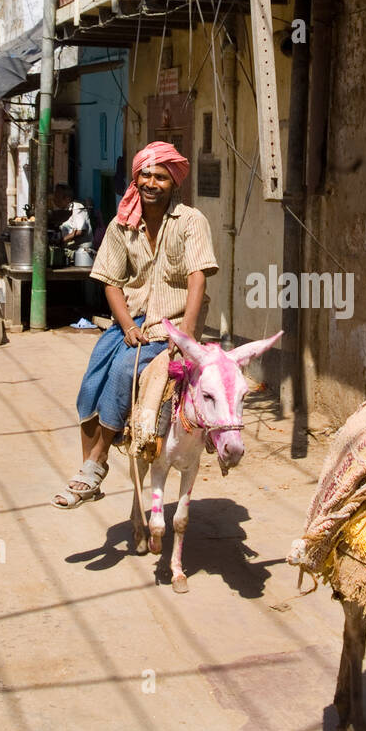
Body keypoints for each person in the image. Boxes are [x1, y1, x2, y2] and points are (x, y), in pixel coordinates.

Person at [53, 141, 218, 520]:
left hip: (174, 321)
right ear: (136, 177)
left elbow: (197, 280)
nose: (151, 182)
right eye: (145, 174)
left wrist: (186, 336)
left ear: (173, 182)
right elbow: (110, 281)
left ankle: (96, 462)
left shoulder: (192, 222)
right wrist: (126, 325)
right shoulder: (120, 224)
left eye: (160, 176)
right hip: (134, 318)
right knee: (93, 375)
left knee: (127, 369)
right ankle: (90, 468)